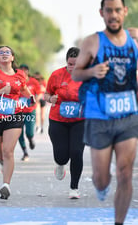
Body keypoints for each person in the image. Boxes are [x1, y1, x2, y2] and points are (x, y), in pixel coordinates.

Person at [72, 0, 138, 224]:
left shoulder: (134, 41)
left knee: (125, 172)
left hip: (128, 116)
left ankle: (118, 222)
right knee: (102, 179)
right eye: (108, 10)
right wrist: (92, 71)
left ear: (124, 12)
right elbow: (76, 73)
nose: (113, 15)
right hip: (99, 116)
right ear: (102, 13)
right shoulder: (93, 41)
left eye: (117, 10)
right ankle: (101, 185)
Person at [0, 45, 34, 200]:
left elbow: (23, 90)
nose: (4, 54)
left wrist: (30, 97)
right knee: (0, 153)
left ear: (12, 58)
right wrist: (0, 91)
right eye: (1, 53)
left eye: (7, 53)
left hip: (14, 116)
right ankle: (5, 166)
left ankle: (5, 185)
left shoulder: (20, 75)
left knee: (8, 151)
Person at [44, 47, 85, 199]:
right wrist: (50, 99)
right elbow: (46, 94)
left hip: (80, 120)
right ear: (66, 62)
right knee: (61, 156)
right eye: (70, 64)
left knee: (76, 152)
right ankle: (60, 164)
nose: (72, 67)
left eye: (76, 64)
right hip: (58, 120)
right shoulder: (56, 75)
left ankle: (74, 188)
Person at [18, 64, 40, 161]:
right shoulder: (15, 81)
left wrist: (35, 100)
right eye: (21, 70)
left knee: (29, 132)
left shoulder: (33, 82)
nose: (23, 71)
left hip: (30, 111)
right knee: (19, 133)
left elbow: (39, 94)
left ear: (28, 71)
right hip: (18, 111)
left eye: (25, 70)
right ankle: (25, 152)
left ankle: (30, 139)